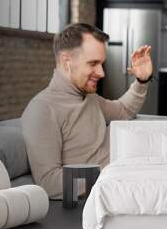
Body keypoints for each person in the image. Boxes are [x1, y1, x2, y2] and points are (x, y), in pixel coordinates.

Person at [21, 23, 153, 199]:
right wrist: (117, 171)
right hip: (116, 187)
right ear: (67, 62)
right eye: (93, 63)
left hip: (135, 173)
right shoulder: (42, 110)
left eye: (101, 64)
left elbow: (124, 110)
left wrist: (142, 80)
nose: (101, 73)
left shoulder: (89, 97)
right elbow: (49, 184)